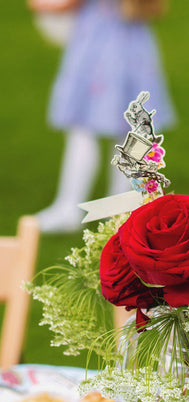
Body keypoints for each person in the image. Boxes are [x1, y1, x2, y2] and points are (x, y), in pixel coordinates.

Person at [34, 0, 175, 233]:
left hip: (98, 45)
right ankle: (120, 206)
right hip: (132, 45)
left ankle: (71, 205)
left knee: (82, 128)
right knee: (130, 131)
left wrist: (44, 5)